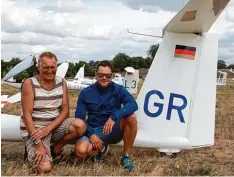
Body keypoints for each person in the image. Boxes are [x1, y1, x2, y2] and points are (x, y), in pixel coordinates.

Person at [20, 52, 86, 174]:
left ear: (56, 67)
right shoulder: (29, 84)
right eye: (45, 67)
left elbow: (65, 111)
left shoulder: (62, 82)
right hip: (36, 130)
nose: (50, 70)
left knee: (80, 126)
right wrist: (38, 145)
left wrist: (48, 129)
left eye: (52, 67)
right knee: (45, 168)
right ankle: (39, 151)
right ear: (39, 67)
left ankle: (54, 149)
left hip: (54, 126)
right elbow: (26, 116)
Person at [75, 60, 138, 170]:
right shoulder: (85, 92)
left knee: (131, 117)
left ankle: (126, 156)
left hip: (114, 129)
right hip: (94, 129)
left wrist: (115, 116)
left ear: (112, 76)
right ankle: (102, 149)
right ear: (96, 75)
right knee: (81, 152)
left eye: (108, 75)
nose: (104, 77)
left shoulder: (119, 89)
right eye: (101, 75)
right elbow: (79, 118)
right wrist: (91, 135)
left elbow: (133, 104)